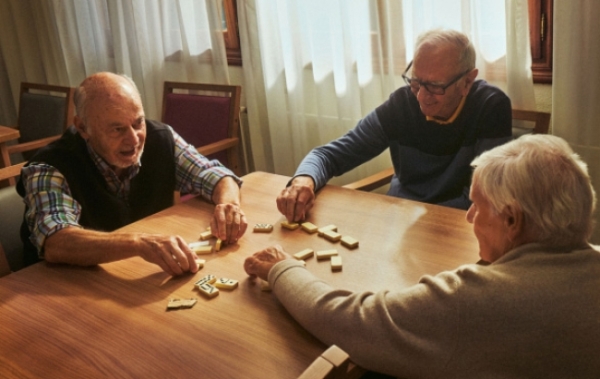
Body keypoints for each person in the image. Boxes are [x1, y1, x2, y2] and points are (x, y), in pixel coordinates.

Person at [246, 134, 600, 378]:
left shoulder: (473, 299)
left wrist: (281, 268)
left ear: (512, 220)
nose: (469, 216)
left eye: (477, 205)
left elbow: (346, 320)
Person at [17, 72, 248, 276]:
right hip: (60, 288)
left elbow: (215, 174)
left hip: (138, 274)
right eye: (117, 129)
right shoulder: (48, 167)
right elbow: (57, 242)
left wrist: (228, 204)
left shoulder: (160, 137)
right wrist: (138, 242)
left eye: (138, 123)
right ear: (83, 128)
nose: (134, 139)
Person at [277, 29, 512, 221]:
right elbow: (329, 156)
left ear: (467, 82)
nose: (420, 97)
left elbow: (481, 201)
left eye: (435, 86)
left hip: (454, 224)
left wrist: (414, 219)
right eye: (416, 81)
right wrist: (303, 179)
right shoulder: (402, 104)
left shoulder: (490, 108)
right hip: (401, 219)